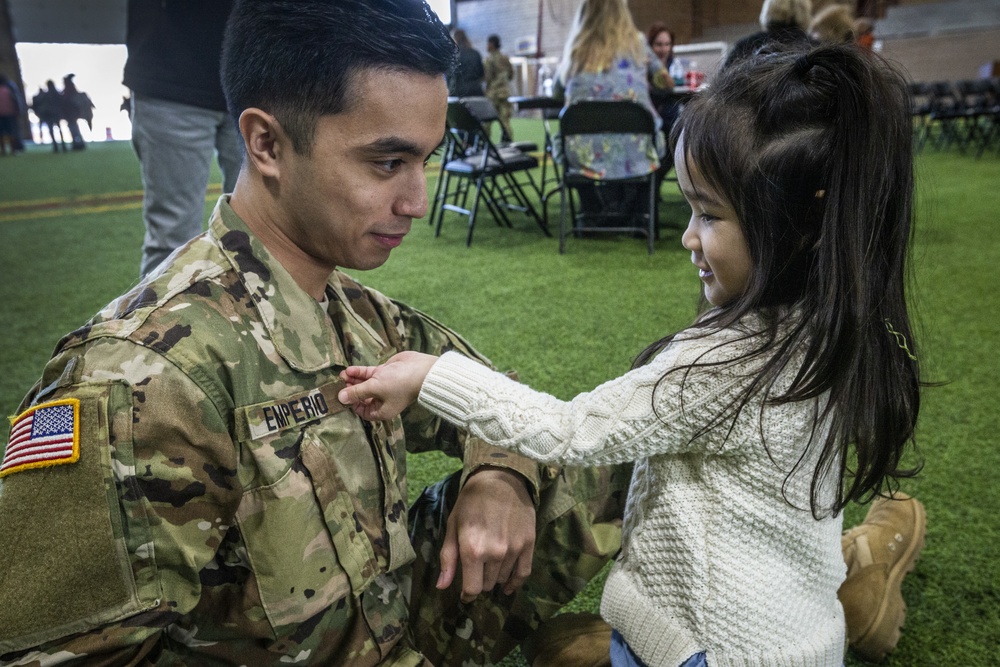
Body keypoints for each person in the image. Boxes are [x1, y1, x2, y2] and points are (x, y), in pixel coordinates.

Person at [0, 1, 631, 665]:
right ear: (267, 144)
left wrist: (500, 476)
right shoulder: (140, 380)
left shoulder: (352, 308)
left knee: (607, 453)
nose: (416, 200)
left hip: (385, 624)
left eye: (424, 160)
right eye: (387, 162)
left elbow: (495, 394)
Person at [339, 41, 928, 666]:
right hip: (795, 638)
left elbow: (574, 431)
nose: (687, 237)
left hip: (710, 650)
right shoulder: (831, 328)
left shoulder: (725, 364)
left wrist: (432, 375)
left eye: (708, 215)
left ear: (800, 226)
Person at [123, 0, 243, 278]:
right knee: (172, 241)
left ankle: (259, 319)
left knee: (260, 235)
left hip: (253, 82)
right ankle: (160, 323)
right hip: (170, 78)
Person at [554, 0, 670, 221]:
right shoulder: (637, 43)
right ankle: (641, 213)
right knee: (660, 139)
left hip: (582, 152)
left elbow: (557, 91)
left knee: (571, 141)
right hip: (636, 149)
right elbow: (664, 80)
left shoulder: (575, 49)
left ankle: (590, 211)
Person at [723, 0, 813, 68]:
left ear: (768, 10)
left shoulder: (744, 47)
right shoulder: (815, 48)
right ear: (806, 12)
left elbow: (721, 86)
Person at [483, 34, 515, 141]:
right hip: (504, 93)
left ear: (492, 44)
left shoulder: (489, 60)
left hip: (493, 94)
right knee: (505, 122)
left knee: (487, 122)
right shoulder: (505, 58)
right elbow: (511, 74)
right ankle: (508, 144)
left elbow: (487, 77)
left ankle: (485, 145)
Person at [31, 81, 67, 152]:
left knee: (51, 130)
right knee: (59, 129)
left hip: (49, 114)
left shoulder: (46, 95)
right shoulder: (57, 93)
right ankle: (63, 145)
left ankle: (55, 146)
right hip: (56, 113)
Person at [448, 28, 485, 97]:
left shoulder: (455, 55)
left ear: (455, 39)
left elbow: (451, 75)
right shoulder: (475, 53)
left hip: (459, 92)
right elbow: (481, 73)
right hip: (476, 91)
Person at [60, 74, 89, 150]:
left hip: (70, 114)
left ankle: (78, 144)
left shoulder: (68, 90)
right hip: (72, 113)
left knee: (74, 129)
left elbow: (67, 101)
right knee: (74, 129)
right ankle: (79, 143)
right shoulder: (71, 89)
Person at [0, 73, 23, 156]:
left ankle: (3, 151)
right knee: (11, 132)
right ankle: (13, 150)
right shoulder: (8, 90)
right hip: (10, 114)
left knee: (1, 133)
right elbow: (15, 101)